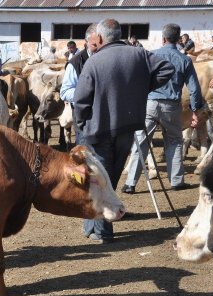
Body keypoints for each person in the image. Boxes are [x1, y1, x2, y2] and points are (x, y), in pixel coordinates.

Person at [73, 18, 174, 244]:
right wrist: (140, 87)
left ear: (99, 37)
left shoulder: (94, 62)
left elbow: (80, 101)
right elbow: (167, 68)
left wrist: (81, 124)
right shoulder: (139, 54)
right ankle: (92, 224)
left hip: (98, 131)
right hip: (127, 128)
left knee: (101, 181)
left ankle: (103, 232)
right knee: (111, 177)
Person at [122, 23, 203, 197]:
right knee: (174, 141)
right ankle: (176, 181)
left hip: (150, 103)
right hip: (171, 106)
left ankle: (130, 183)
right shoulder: (185, 60)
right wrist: (195, 110)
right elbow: (194, 89)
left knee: (141, 142)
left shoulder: (151, 56)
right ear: (179, 39)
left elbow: (137, 81)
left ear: (163, 38)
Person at [60, 24, 98, 145]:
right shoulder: (75, 63)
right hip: (84, 115)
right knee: (84, 151)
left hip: (105, 115)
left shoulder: (108, 58)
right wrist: (88, 93)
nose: (98, 48)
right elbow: (65, 92)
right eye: (94, 44)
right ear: (86, 42)